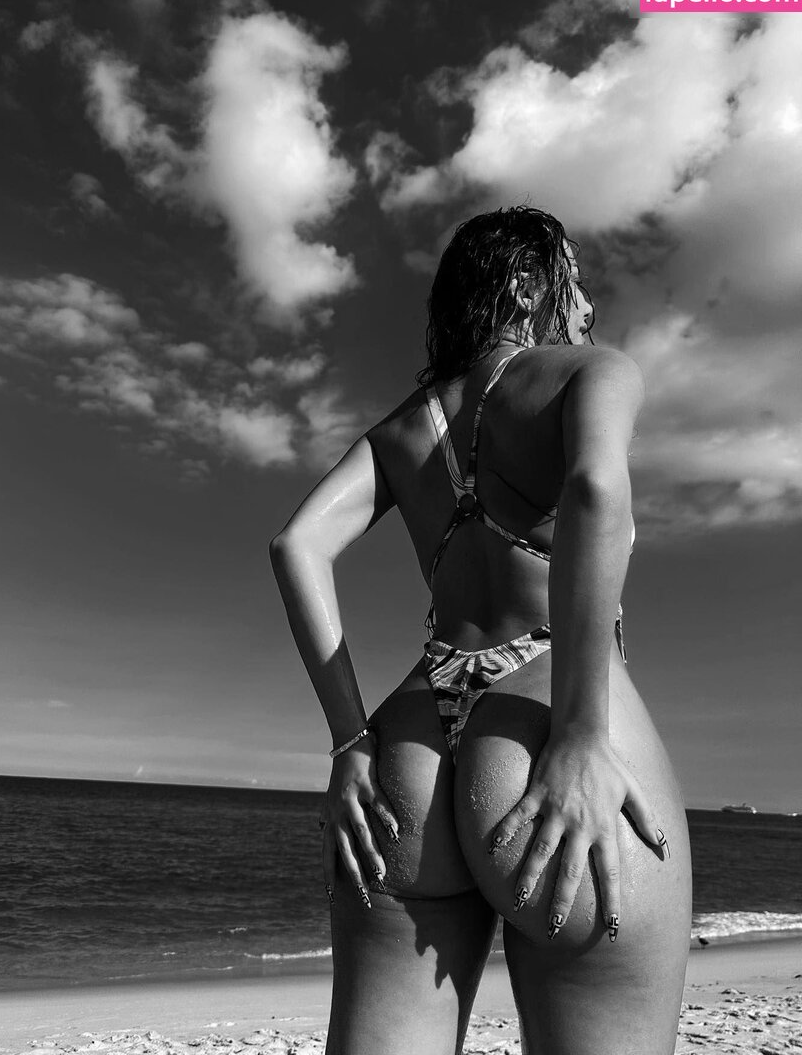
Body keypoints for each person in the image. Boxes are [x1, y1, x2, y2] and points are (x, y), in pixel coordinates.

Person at [270, 206, 692, 1055]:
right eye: (573, 280)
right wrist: (582, 732)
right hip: (543, 714)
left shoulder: (401, 429)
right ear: (527, 284)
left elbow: (297, 544)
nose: (586, 306)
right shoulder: (592, 372)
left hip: (412, 743)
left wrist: (349, 740)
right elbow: (595, 493)